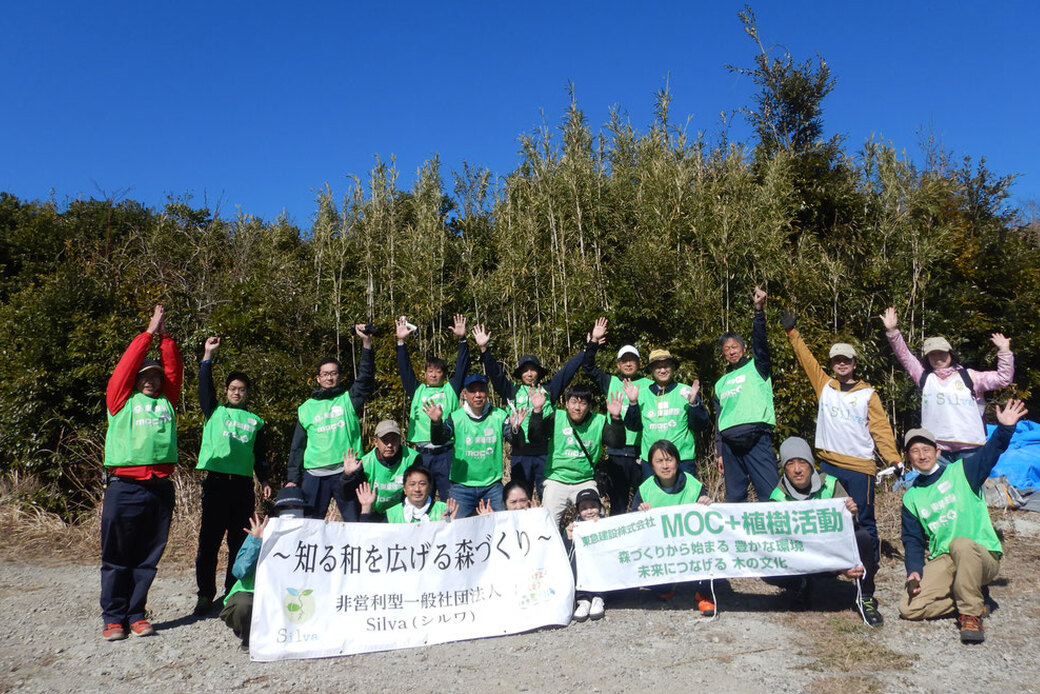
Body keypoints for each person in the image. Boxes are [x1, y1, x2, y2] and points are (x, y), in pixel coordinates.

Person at [781, 311, 900, 580]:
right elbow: (806, 360)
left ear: (854, 363)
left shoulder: (869, 393)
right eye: (837, 361)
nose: (841, 364)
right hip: (830, 465)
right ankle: (834, 564)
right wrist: (792, 333)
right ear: (833, 365)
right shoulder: (825, 386)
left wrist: (893, 458)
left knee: (864, 518)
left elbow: (880, 429)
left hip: (860, 467)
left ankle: (868, 568)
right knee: (830, 518)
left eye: (846, 360)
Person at [899, 399, 1027, 644]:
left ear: (937, 451)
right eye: (915, 451)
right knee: (908, 608)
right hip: (945, 559)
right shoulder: (911, 497)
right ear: (909, 457)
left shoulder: (963, 471)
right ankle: (974, 597)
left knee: (961, 544)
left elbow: (992, 451)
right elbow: (912, 540)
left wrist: (1005, 429)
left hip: (981, 555)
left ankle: (971, 614)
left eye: (926, 449)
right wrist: (914, 570)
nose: (921, 455)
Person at [100, 305, 183, 641]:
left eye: (156, 377)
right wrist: (148, 333)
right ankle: (113, 618)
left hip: (160, 487)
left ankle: (136, 614)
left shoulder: (168, 401)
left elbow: (174, 370)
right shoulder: (121, 400)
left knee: (148, 557)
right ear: (136, 381)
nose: (152, 381)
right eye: (146, 376)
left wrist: (165, 338)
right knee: (117, 555)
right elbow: (125, 367)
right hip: (124, 486)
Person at [193, 336, 272, 616]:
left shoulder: (255, 421)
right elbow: (204, 387)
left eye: (241, 389)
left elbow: (259, 455)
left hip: (241, 487)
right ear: (226, 391)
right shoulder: (214, 411)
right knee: (209, 542)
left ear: (247, 393)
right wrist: (208, 356)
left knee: (238, 542)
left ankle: (231, 591)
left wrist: (263, 479)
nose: (236, 393)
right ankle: (205, 594)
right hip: (215, 483)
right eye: (232, 388)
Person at [474, 321, 597, 499]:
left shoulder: (549, 390)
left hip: (545, 454)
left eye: (533, 370)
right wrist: (484, 349)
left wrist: (589, 346)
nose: (529, 373)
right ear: (520, 373)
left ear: (539, 372)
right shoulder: (512, 391)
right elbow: (495, 374)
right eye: (525, 370)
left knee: (546, 498)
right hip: (520, 454)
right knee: (520, 498)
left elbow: (567, 371)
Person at [767, 437, 880, 625]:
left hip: (833, 548)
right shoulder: (777, 498)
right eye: (790, 464)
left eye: (802, 462)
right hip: (800, 555)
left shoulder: (831, 484)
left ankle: (865, 597)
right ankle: (800, 585)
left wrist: (851, 513)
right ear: (784, 469)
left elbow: (849, 528)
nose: (797, 469)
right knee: (767, 562)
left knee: (862, 537)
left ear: (811, 464)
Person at [881, 307, 1014, 460]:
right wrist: (892, 332)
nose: (938, 357)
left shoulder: (969, 377)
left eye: (942, 353)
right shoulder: (924, 377)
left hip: (970, 447)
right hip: (936, 448)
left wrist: (1004, 351)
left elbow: (1004, 378)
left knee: (969, 485)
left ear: (950, 354)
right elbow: (905, 356)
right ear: (927, 358)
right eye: (932, 354)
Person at [286, 326, 376, 521]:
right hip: (314, 475)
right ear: (318, 378)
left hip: (347, 471)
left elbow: (365, 378)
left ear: (339, 376)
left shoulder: (348, 400)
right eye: (325, 374)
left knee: (355, 523)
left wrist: (366, 343)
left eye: (333, 373)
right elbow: (297, 447)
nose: (329, 377)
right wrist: (293, 479)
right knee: (310, 525)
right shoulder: (306, 408)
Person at [631, 440, 716, 616]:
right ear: (652, 466)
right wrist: (640, 512)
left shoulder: (693, 485)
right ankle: (667, 583)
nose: (665, 466)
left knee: (709, 548)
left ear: (677, 461)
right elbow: (632, 524)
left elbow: (709, 521)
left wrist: (707, 503)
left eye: (669, 460)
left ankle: (704, 594)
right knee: (659, 590)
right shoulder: (645, 489)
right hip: (661, 548)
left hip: (690, 544)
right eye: (659, 461)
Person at [526, 384, 627, 527]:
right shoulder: (557, 418)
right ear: (566, 404)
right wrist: (537, 410)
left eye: (583, 403)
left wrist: (616, 418)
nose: (577, 408)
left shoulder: (598, 421)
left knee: (596, 524)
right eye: (573, 402)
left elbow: (617, 443)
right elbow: (534, 438)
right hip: (556, 479)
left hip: (585, 480)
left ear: (589, 406)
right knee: (547, 526)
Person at [219, 487, 307, 651]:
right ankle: (249, 635)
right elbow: (239, 571)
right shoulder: (260, 533)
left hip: (290, 596)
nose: (292, 512)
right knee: (242, 606)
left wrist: (326, 534)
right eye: (286, 508)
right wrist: (256, 542)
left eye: (297, 508)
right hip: (253, 593)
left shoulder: (310, 535)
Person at [714, 286, 778, 503]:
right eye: (726, 349)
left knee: (770, 493)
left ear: (742, 348)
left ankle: (777, 535)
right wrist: (719, 451)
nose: (731, 351)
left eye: (734, 347)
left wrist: (758, 312)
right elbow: (719, 418)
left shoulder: (757, 366)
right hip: (730, 445)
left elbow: (761, 343)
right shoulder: (720, 383)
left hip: (756, 436)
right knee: (735, 499)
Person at [396, 314, 469, 502]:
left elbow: (462, 367)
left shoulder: (450, 389)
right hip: (422, 454)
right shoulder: (417, 390)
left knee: (450, 500)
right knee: (421, 500)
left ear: (444, 375)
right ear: (425, 373)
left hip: (446, 453)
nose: (434, 375)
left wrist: (462, 340)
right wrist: (401, 342)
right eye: (430, 371)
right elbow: (405, 370)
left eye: (438, 371)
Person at [427, 374, 522, 517]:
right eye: (473, 391)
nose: (478, 395)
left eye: (481, 390)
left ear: (487, 393)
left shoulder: (500, 415)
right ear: (465, 394)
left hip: (492, 486)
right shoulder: (455, 417)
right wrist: (436, 422)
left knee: (503, 523)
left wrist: (516, 429)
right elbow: (438, 440)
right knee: (453, 527)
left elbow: (516, 441)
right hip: (461, 487)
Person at [583, 322, 653, 515]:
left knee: (645, 505)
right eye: (624, 360)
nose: (628, 363)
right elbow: (588, 366)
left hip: (642, 454)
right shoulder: (611, 382)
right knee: (618, 506)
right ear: (618, 364)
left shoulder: (649, 384)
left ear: (639, 363)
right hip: (616, 453)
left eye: (632, 360)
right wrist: (594, 342)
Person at [621, 350, 709, 480]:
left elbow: (701, 424)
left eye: (666, 366)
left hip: (682, 459)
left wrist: (694, 403)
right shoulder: (642, 394)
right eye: (657, 367)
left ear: (673, 368)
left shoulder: (685, 391)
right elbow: (633, 426)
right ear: (651, 370)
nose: (662, 370)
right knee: (653, 500)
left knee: (686, 499)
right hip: (651, 462)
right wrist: (633, 403)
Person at [340, 419, 422, 521]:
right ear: (376, 442)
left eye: (394, 439)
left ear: (400, 440)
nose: (389, 445)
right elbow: (347, 496)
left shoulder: (412, 459)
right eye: (385, 440)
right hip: (373, 513)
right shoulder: (365, 463)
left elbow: (422, 490)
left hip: (402, 514)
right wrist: (347, 476)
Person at [358, 464, 459, 523]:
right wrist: (366, 507)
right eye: (412, 484)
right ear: (404, 489)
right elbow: (368, 536)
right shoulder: (391, 514)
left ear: (429, 487)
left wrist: (449, 524)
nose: (417, 489)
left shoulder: (445, 510)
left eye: (422, 484)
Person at [566, 488, 607, 622]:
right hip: (582, 575)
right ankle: (583, 599)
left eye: (593, 507)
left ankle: (598, 597)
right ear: (578, 511)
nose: (589, 511)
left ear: (600, 507)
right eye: (584, 508)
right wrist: (569, 537)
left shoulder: (609, 524)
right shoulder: (574, 527)